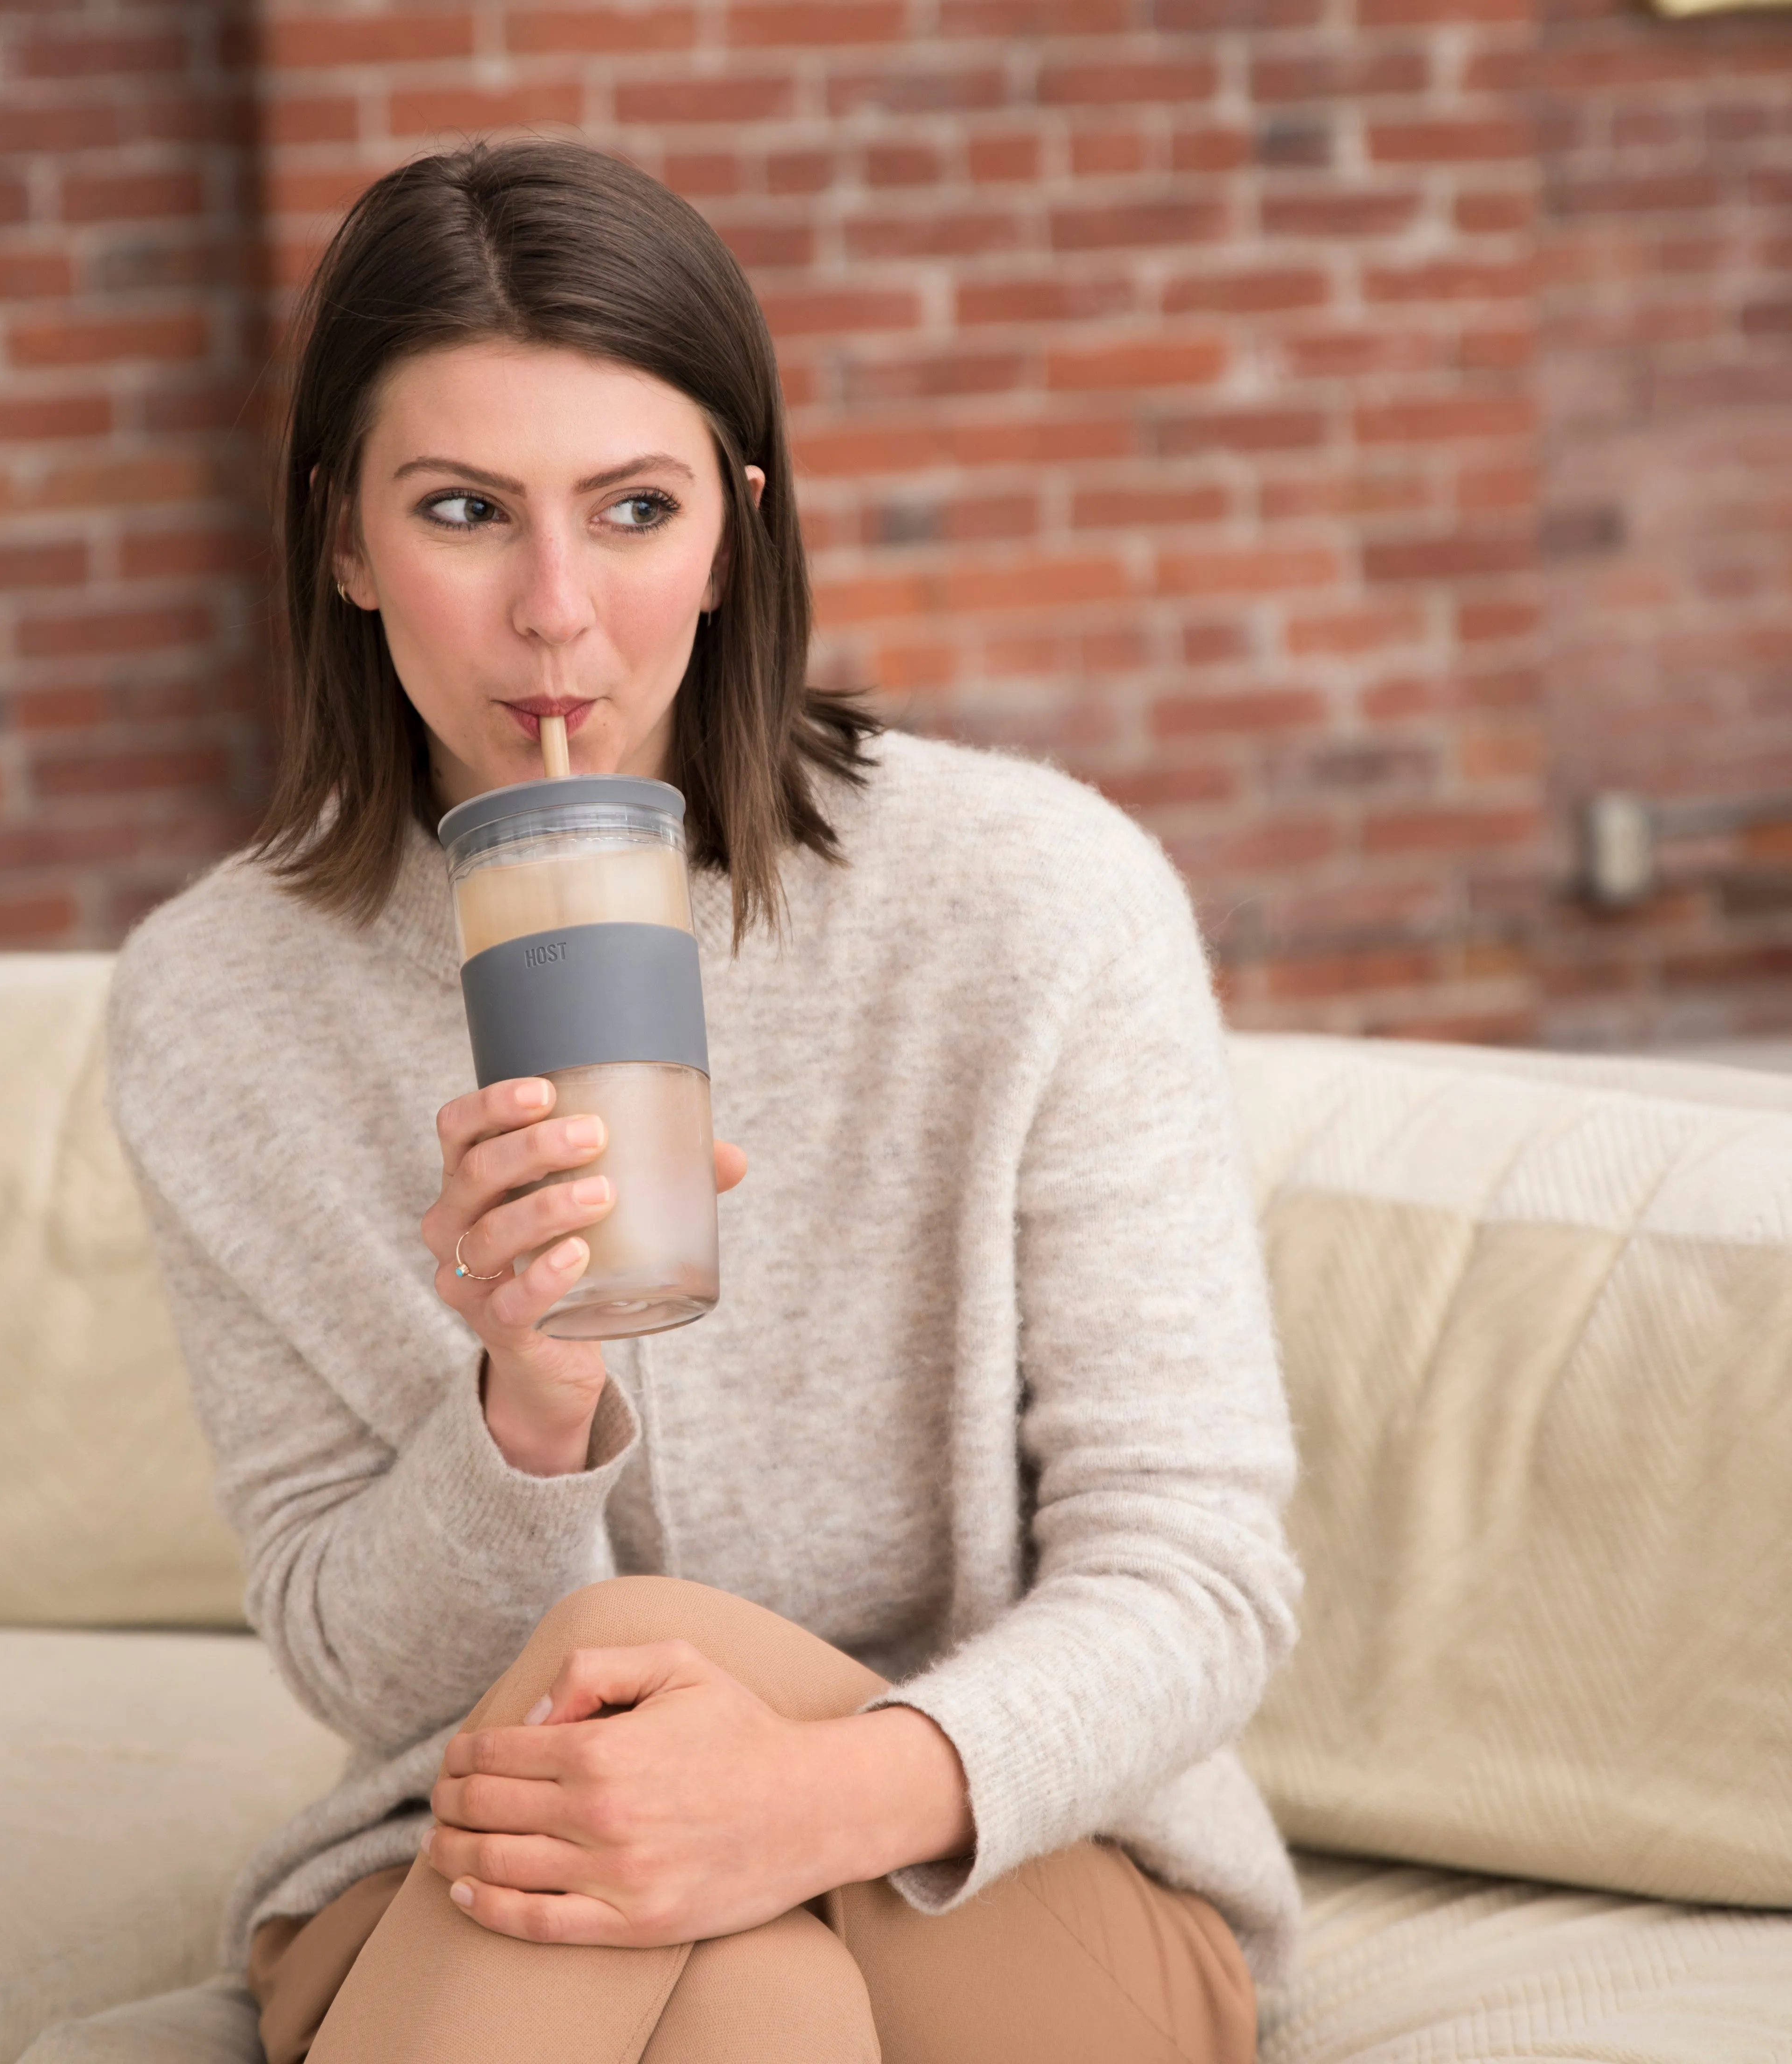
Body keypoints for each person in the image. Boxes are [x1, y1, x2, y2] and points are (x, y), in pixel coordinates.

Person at [107, 139, 1302, 2064]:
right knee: (725, 1978)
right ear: (342, 537)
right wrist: (526, 1396)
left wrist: (807, 1795)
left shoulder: (1029, 901)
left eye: (634, 506)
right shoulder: (216, 1001)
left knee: (629, 1719)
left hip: (1007, 1853)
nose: (556, 610)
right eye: (466, 508)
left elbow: (1195, 1575)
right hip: (476, 1845)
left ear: (735, 527)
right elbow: (361, 1663)